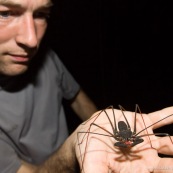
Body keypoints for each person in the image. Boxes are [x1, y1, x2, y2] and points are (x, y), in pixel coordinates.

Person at [0, 0, 97, 172]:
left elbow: (77, 98)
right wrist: (73, 150)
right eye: (4, 14)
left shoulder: (46, 57)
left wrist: (106, 130)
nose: (32, 40)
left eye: (40, 14)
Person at [75, 106, 173, 173]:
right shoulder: (116, 134)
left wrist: (151, 145)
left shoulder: (132, 133)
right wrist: (83, 131)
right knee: (94, 124)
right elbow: (91, 127)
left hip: (127, 130)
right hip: (120, 131)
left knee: (165, 134)